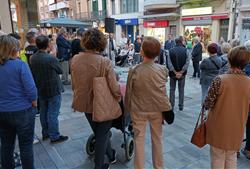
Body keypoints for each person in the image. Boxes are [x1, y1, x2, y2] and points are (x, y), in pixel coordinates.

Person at [71, 28, 120, 169]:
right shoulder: (105, 62)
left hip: (85, 103)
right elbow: (114, 86)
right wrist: (118, 98)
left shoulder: (75, 59)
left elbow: (74, 83)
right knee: (101, 135)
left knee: (101, 133)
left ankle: (111, 155)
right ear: (102, 43)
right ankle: (99, 166)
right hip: (102, 103)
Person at [203, 46, 250, 169]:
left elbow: (208, 103)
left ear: (230, 59)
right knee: (231, 157)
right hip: (237, 127)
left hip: (218, 127)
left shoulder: (220, 80)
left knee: (217, 156)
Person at [125, 36, 171, 169]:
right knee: (157, 140)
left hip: (139, 110)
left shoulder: (134, 70)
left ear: (142, 52)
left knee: (139, 140)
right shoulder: (162, 70)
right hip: (157, 109)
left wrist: (127, 110)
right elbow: (161, 91)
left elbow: (129, 93)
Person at [0, 35, 38, 169]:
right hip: (22, 111)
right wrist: (34, 102)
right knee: (26, 146)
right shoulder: (20, 65)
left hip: (2, 112)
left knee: (6, 145)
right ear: (12, 49)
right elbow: (31, 89)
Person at [30, 35, 69, 144]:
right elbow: (60, 70)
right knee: (53, 113)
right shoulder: (50, 57)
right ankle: (54, 136)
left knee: (43, 111)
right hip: (53, 88)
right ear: (47, 44)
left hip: (40, 88)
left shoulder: (33, 58)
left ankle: (46, 133)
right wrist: (53, 53)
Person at [167, 37, 190, 111]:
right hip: (182, 74)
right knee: (181, 89)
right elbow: (187, 62)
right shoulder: (186, 50)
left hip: (172, 74)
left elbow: (169, 63)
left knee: (172, 89)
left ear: (175, 42)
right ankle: (181, 105)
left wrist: (175, 72)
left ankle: (171, 105)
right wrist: (181, 72)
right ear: (181, 41)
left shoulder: (170, 51)